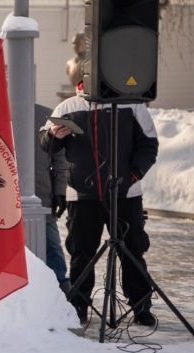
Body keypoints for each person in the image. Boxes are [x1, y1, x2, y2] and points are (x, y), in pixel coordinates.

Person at [40, 83, 159, 326]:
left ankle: (140, 306)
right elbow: (45, 144)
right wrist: (53, 135)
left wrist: (133, 175)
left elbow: (149, 144)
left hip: (126, 194)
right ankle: (79, 305)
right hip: (82, 195)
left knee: (132, 251)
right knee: (81, 253)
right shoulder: (67, 107)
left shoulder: (131, 104)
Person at [34, 103, 69, 292]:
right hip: (1, 199)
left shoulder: (46, 116)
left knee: (52, 247)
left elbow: (59, 159)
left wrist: (60, 191)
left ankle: (61, 290)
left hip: (41, 195)